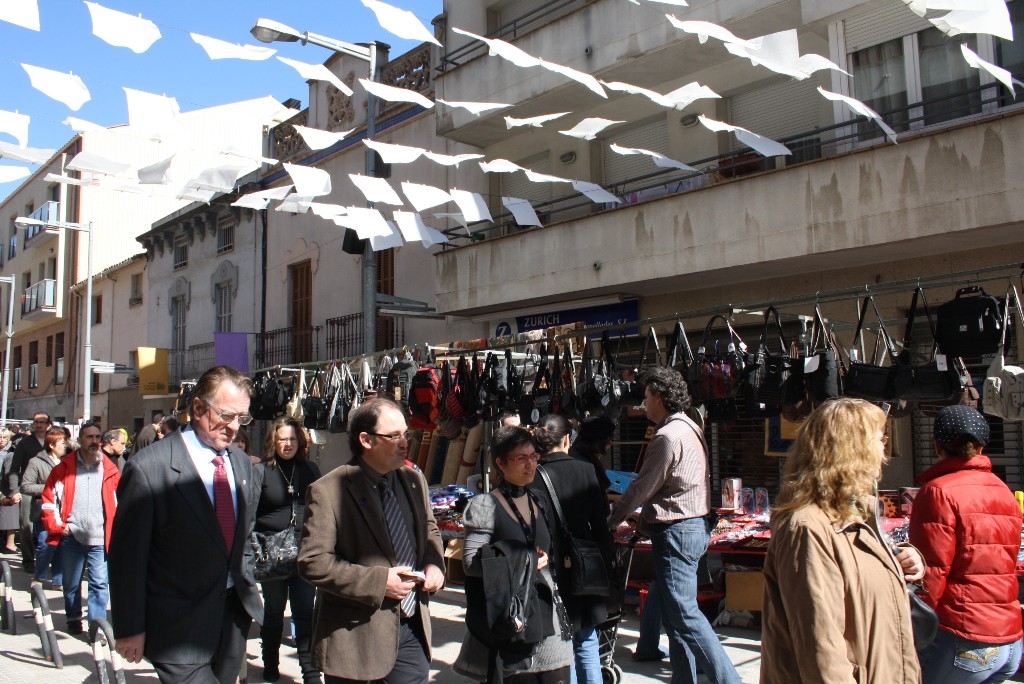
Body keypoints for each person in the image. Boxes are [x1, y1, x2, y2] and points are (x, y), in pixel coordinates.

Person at [109, 365, 264, 684]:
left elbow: (242, 537)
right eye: (226, 415)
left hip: (231, 621)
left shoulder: (240, 464)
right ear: (197, 408)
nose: (235, 427)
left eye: (242, 418)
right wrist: (130, 628)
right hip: (177, 627)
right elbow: (127, 559)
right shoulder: (150, 469)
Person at [760, 398, 924, 683]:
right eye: (879, 438)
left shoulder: (857, 513)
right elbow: (821, 648)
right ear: (852, 449)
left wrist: (905, 562)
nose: (884, 446)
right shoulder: (807, 528)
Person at [607, 366, 740, 684]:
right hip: (689, 527)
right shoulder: (689, 428)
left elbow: (642, 487)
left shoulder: (667, 436)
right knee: (678, 613)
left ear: (660, 397)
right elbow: (676, 486)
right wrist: (643, 517)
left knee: (683, 614)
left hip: (679, 531)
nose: (643, 403)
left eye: (647, 396)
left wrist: (612, 519)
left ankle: (728, 680)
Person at [298, 397, 445, 684]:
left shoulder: (414, 480)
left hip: (412, 628)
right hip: (356, 640)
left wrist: (434, 563)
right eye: (394, 436)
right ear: (365, 439)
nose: (405, 443)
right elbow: (312, 562)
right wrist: (378, 583)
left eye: (406, 434)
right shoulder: (328, 491)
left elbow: (429, 529)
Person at [910, 405, 1023, 683]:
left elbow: (931, 572)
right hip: (1008, 641)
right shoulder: (1003, 490)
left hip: (963, 637)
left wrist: (909, 625)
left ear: (937, 445)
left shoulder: (938, 492)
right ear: (982, 446)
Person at [455, 424, 574, 682]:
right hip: (513, 618)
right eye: (521, 458)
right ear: (500, 462)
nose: (530, 464)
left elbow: (550, 550)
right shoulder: (485, 505)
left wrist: (546, 558)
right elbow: (470, 563)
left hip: (549, 616)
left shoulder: (540, 499)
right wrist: (525, 559)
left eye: (534, 457)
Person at [532, 414, 613, 684]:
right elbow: (600, 526)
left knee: (560, 645)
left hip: (548, 566)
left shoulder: (532, 476)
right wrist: (607, 564)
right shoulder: (585, 470)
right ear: (567, 439)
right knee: (586, 640)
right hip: (583, 565)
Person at [255, 416, 322, 684]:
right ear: (274, 441)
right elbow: (251, 515)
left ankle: (310, 673)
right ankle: (270, 664)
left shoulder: (310, 469)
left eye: (293, 439)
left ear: (301, 441)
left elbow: (320, 507)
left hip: (304, 552)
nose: (288, 444)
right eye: (282, 439)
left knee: (305, 613)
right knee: (273, 613)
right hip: (272, 553)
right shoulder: (261, 471)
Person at [40, 420, 120, 635]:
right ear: (80, 440)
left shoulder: (110, 469)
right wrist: (57, 526)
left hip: (101, 537)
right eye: (89, 437)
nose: (94, 441)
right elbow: (49, 499)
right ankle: (74, 617)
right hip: (73, 535)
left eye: (97, 437)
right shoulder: (63, 468)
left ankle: (97, 627)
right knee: (71, 583)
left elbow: (119, 503)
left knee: (100, 585)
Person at [21, 426, 67, 590]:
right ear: (52, 445)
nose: (65, 445)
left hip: (63, 511)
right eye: (62, 443)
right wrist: (50, 487)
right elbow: (26, 486)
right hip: (44, 511)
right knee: (45, 544)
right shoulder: (36, 462)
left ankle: (58, 580)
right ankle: (39, 577)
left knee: (61, 546)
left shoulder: (67, 462)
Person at [10, 412, 51, 571]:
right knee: (27, 526)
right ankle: (28, 561)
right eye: (36, 422)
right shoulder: (25, 443)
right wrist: (15, 490)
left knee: (50, 526)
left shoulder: (52, 441)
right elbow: (14, 469)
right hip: (28, 490)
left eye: (42, 422)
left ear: (49, 424)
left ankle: (49, 559)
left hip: (50, 491)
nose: (39, 425)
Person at [0, 428, 20, 553]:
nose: (1, 440)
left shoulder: (10, 454)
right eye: (0, 437)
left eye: (4, 438)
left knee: (9, 514)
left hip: (4, 487)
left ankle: (9, 543)